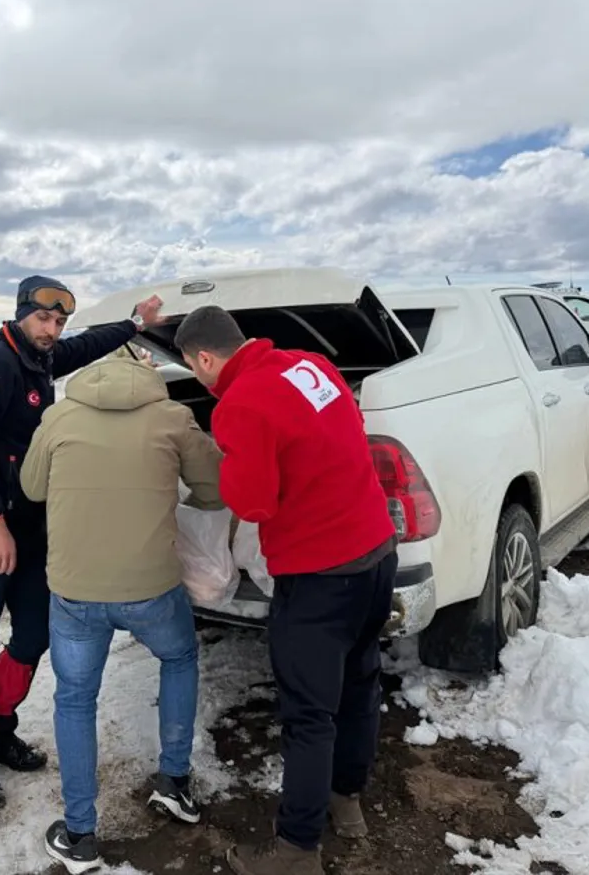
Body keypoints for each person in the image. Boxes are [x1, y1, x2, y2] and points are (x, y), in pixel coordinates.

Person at [173, 306, 399, 875]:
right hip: (375, 551)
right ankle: (346, 799)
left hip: (319, 574)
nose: (200, 379)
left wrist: (222, 465)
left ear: (204, 357)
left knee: (308, 712)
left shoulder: (240, 405)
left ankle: (297, 850)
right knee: (360, 679)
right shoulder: (310, 364)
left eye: (194, 369)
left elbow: (252, 503)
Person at [0, 275, 165, 810]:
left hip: (27, 526)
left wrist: (134, 324)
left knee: (35, 632)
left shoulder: (36, 359)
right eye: (44, 319)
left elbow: (84, 348)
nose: (53, 329)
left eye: (60, 321)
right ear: (22, 313)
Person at [20, 354, 224, 873]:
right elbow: (214, 490)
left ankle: (81, 835)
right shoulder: (173, 417)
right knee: (178, 658)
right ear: (150, 378)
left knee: (74, 699)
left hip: (74, 592)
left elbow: (32, 488)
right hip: (151, 588)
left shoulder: (61, 417)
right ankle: (174, 784)